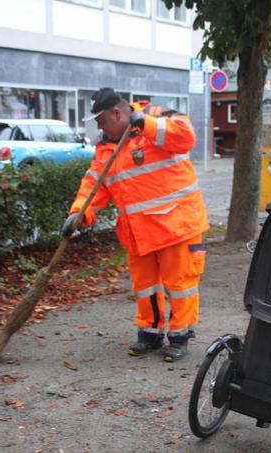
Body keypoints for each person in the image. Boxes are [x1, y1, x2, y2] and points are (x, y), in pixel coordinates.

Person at [61, 88, 209, 362]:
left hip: (176, 225)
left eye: (101, 120)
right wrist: (79, 213)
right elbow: (94, 184)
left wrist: (146, 124)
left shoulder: (155, 116)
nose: (99, 126)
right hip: (138, 233)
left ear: (117, 113)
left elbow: (185, 136)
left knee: (179, 285)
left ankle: (179, 337)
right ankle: (150, 334)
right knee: (146, 286)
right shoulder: (106, 146)